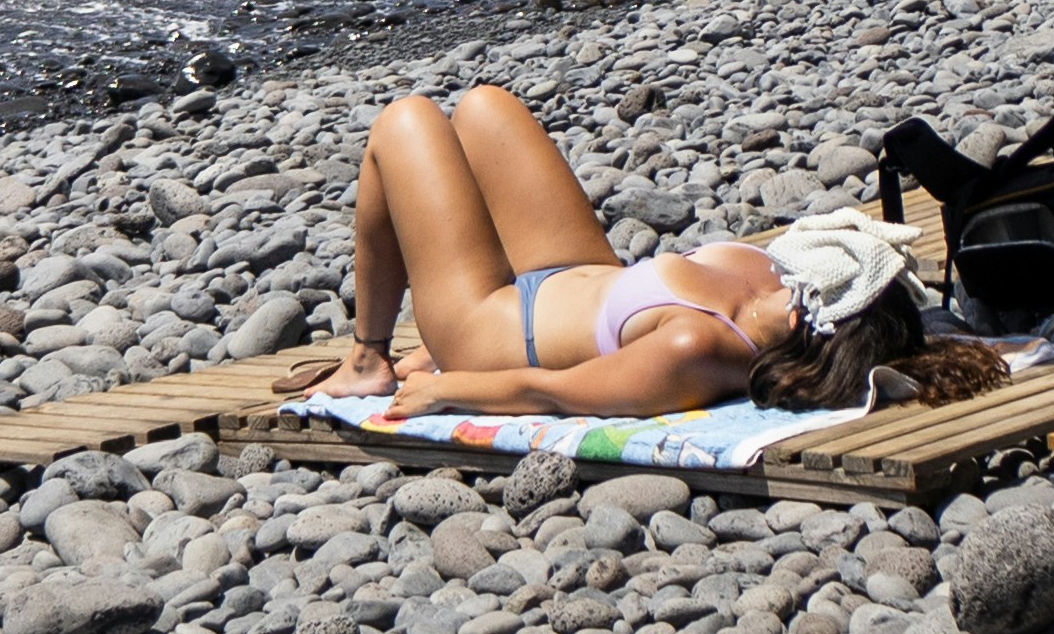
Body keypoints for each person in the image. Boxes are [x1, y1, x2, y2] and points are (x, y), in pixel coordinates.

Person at [328, 80, 999, 420]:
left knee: (405, 120)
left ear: (810, 316)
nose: (800, 266)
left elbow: (557, 391)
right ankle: (391, 347)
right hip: (570, 273)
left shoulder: (699, 352)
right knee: (483, 106)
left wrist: (447, 385)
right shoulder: (767, 278)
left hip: (492, 330)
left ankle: (365, 360)